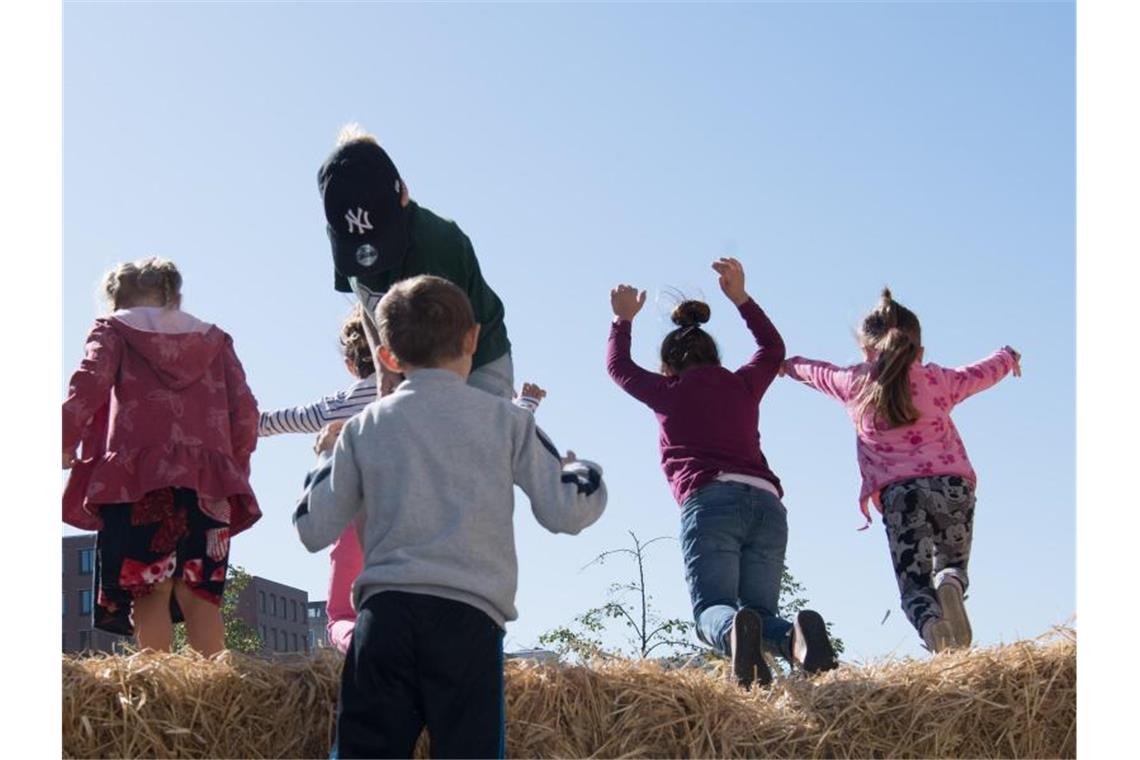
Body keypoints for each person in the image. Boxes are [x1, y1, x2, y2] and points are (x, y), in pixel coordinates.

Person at [293, 275, 606, 758]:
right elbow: (567, 511)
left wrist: (323, 457)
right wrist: (581, 470)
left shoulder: (363, 429)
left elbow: (313, 529)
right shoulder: (508, 421)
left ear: (388, 357)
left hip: (386, 617)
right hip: (468, 620)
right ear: (473, 339)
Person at [605, 258, 837, 689]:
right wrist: (741, 299)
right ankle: (795, 638)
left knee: (712, 609)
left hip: (710, 501)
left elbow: (619, 369)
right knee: (761, 614)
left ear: (668, 367)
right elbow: (772, 350)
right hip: (767, 503)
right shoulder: (742, 384)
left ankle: (733, 635)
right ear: (715, 356)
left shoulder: (667, 391)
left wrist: (622, 320)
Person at [259, 308, 547, 652]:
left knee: (340, 615)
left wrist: (233, 419)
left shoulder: (340, 406)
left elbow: (279, 421)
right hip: (425, 525)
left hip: (358, 523)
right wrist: (526, 403)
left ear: (352, 365)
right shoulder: (433, 399)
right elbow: (500, 429)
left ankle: (363, 649)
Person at [781, 288, 1021, 653]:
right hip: (953, 486)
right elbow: (981, 373)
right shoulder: (938, 379)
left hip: (901, 496)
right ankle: (951, 585)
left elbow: (817, 372)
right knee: (952, 564)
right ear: (918, 351)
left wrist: (787, 365)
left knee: (914, 585)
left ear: (865, 350)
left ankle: (931, 628)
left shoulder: (855, 383)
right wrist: (1007, 356)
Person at [61, 257, 260, 656]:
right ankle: (215, 689)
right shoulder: (215, 340)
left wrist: (64, 438)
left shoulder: (113, 329)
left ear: (116, 298)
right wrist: (232, 466)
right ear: (173, 295)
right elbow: (246, 413)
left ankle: (160, 684)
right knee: (201, 590)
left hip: (139, 479)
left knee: (149, 586)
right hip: (209, 481)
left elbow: (90, 382)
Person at [317, 123, 514, 399]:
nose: (370, 256)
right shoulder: (346, 242)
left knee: (462, 432)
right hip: (412, 362)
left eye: (380, 237)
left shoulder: (437, 244)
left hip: (476, 359)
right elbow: (368, 303)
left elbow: (446, 350)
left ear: (403, 193)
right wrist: (382, 366)